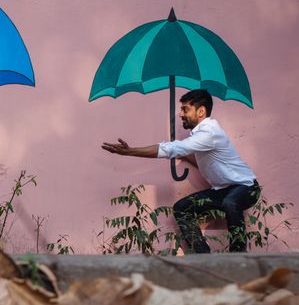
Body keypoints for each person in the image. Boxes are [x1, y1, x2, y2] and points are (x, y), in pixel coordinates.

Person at [101, 89, 260, 253]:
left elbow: (174, 148)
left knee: (231, 203)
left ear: (201, 111)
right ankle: (204, 256)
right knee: (182, 208)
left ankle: (239, 255)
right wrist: (183, 155)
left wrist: (131, 151)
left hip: (246, 188)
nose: (180, 114)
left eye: (185, 109)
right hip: (222, 190)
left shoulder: (209, 133)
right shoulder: (202, 135)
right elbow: (202, 157)